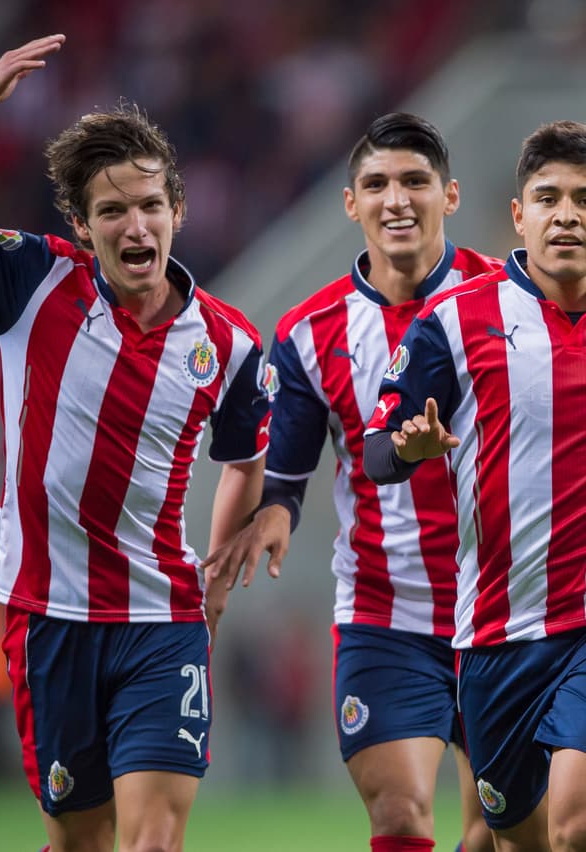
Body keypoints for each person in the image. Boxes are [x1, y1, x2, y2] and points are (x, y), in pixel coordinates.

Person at [0, 35, 271, 852]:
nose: (136, 223)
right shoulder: (31, 281)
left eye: (151, 204)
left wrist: (219, 576)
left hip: (162, 618)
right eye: (113, 210)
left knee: (152, 840)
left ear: (177, 213)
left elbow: (246, 462)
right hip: (49, 618)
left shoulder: (227, 345)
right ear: (83, 228)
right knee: (78, 841)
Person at [362, 120, 586, 852]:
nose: (566, 215)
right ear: (518, 214)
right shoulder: (453, 320)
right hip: (495, 631)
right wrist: (411, 449)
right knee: (516, 839)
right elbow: (375, 451)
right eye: (548, 197)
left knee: (583, 828)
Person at [216, 112, 501, 852]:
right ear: (352, 203)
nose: (396, 199)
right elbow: (288, 475)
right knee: (401, 817)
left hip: (506, 607)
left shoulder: (510, 303)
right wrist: (275, 514)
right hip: (386, 610)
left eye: (415, 181)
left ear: (451, 195)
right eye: (376, 183)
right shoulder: (311, 332)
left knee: (496, 831)